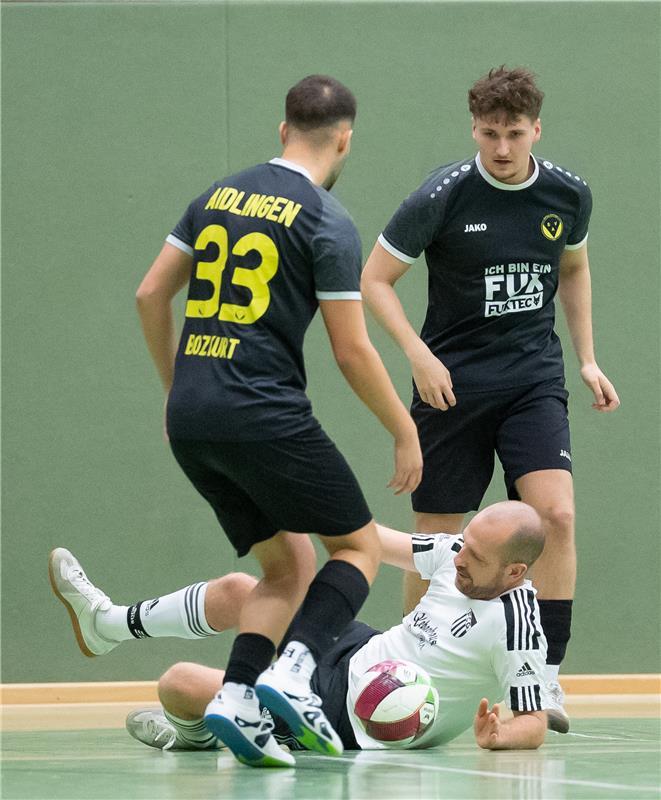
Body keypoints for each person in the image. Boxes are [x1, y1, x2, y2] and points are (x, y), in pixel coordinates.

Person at [50, 75, 422, 769]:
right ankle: (291, 675)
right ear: (345, 139)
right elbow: (350, 348)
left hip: (193, 417)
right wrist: (403, 428)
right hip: (262, 410)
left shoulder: (213, 198)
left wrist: (175, 388)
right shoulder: (325, 219)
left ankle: (240, 697)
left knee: (285, 565)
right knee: (357, 548)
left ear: (283, 130)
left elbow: (149, 293)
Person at [360, 66, 620, 733]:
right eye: (487, 134)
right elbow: (375, 280)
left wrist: (586, 357)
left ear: (535, 129)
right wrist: (417, 355)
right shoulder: (441, 196)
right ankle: (409, 672)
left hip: (531, 378)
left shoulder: (566, 195)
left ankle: (546, 676)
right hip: (450, 388)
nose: (500, 148)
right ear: (472, 128)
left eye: (512, 134)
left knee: (555, 515)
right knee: (436, 541)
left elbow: (573, 268)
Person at [49, 501, 550, 756]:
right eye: (463, 545)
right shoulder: (457, 553)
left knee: (177, 684)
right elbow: (371, 539)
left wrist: (501, 738)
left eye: (475, 557)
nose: (459, 557)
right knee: (242, 590)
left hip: (350, 716)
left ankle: (197, 736)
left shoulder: (518, 626)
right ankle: (107, 625)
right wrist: (297, 500)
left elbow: (535, 721)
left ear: (514, 573)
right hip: (359, 648)